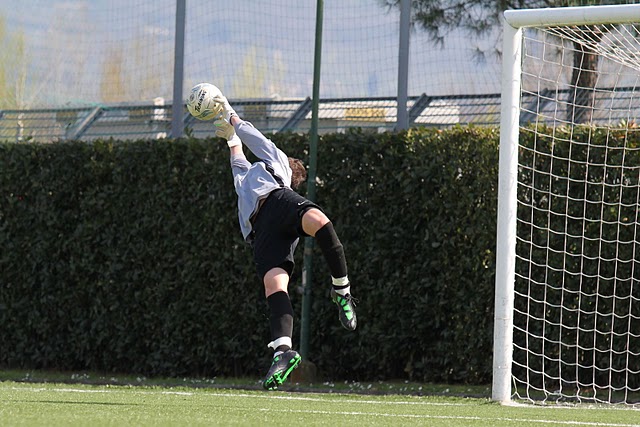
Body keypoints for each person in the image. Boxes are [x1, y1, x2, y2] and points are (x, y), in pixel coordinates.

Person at [207, 87, 357, 391]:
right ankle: (283, 352)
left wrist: (231, 115)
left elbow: (256, 140)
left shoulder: (277, 167)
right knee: (274, 286)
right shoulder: (248, 180)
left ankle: (342, 291)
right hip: (260, 230)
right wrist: (231, 139)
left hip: (279, 201)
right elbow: (238, 162)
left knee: (322, 224)